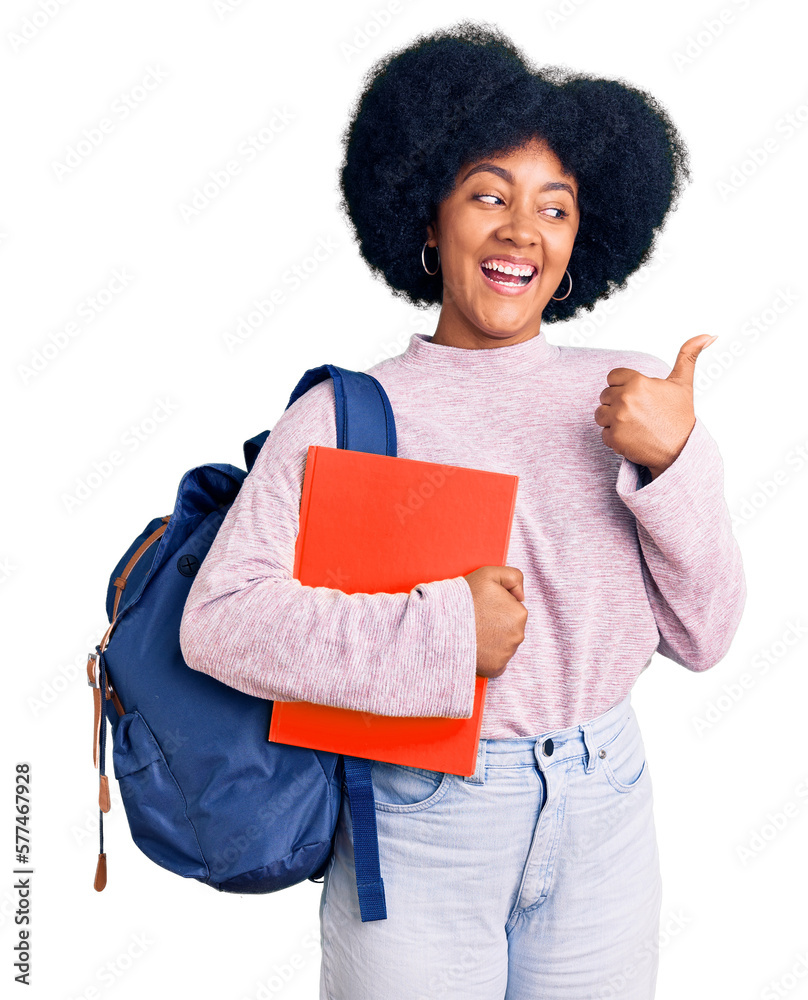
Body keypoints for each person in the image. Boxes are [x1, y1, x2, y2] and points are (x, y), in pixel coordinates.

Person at [179, 21, 747, 1000]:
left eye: (554, 208)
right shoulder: (344, 413)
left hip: (603, 797)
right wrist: (442, 633)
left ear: (579, 244)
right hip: (417, 812)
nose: (520, 229)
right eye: (487, 194)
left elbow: (704, 637)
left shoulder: (632, 397)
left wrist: (674, 463)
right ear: (427, 216)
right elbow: (221, 621)